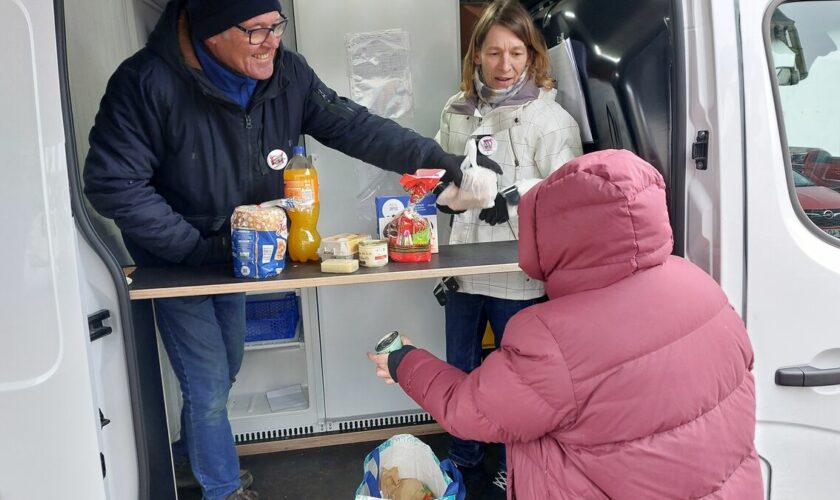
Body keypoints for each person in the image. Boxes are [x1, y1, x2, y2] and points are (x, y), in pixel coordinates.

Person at [82, 1, 500, 499]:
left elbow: (357, 127)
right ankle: (223, 488)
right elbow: (112, 182)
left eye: (276, 25)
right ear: (210, 30)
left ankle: (190, 456)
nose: (273, 40)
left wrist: (443, 167)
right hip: (176, 258)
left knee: (227, 364)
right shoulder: (146, 83)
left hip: (241, 249)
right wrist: (192, 248)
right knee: (209, 384)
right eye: (256, 30)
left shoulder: (287, 73)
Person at [369, 150, 764, 499]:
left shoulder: (552, 337)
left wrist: (404, 360)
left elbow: (470, 410)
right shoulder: (701, 285)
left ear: (554, 232)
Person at [433, 0, 582, 491]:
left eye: (515, 53)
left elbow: (567, 197)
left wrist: (512, 201)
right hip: (462, 268)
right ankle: (464, 454)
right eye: (493, 52)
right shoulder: (456, 110)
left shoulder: (550, 118)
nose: (504, 66)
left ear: (532, 55)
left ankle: (513, 461)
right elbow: (436, 169)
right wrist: (443, 196)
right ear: (476, 55)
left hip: (519, 274)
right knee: (461, 367)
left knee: (518, 377)